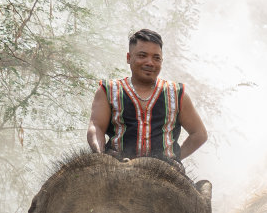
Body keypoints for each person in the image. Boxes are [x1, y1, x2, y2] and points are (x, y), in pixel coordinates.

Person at [87, 29, 207, 164]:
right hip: (117, 166)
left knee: (199, 186)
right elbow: (96, 126)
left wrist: (175, 158)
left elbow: (199, 134)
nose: (150, 62)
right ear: (128, 57)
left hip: (164, 173)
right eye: (142, 55)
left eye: (156, 58)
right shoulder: (108, 91)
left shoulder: (177, 93)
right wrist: (101, 154)